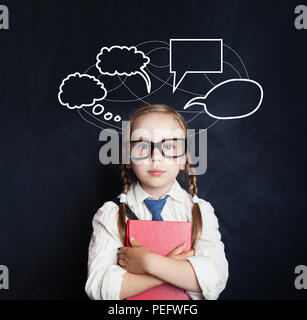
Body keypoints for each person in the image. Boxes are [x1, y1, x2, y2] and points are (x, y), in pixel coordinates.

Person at [85, 103, 228, 300]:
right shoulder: (110, 215)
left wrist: (148, 263)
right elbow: (99, 288)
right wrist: (171, 268)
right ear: (127, 156)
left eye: (169, 146)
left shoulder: (200, 212)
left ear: (183, 158)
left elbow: (213, 280)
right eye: (142, 146)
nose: (156, 157)